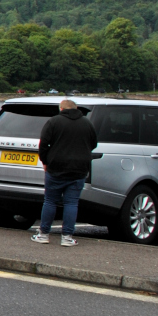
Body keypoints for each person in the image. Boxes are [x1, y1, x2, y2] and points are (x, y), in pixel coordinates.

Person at [35, 99, 98, 246]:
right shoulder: (87, 123)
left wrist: (45, 161)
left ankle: (44, 234)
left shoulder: (54, 122)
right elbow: (93, 144)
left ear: (61, 109)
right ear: (76, 109)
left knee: (50, 201)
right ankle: (67, 237)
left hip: (56, 167)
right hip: (79, 169)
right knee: (71, 203)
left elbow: (43, 144)